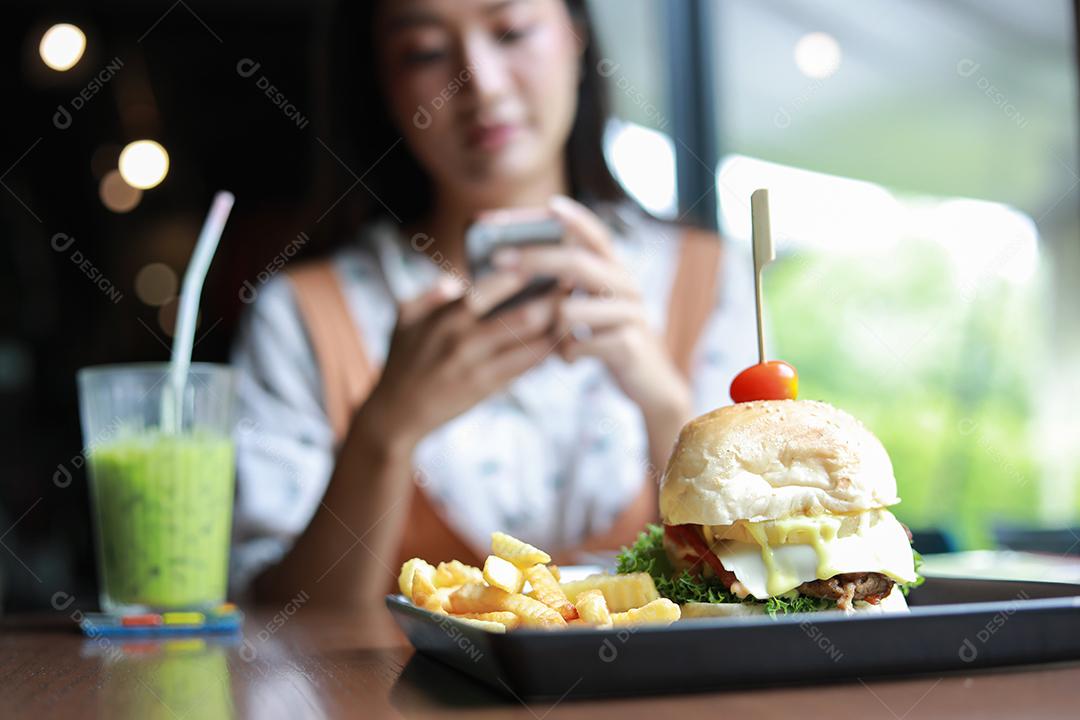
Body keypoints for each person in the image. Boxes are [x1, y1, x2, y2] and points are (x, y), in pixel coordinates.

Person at [230, 0, 757, 607]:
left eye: (510, 31)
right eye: (425, 52)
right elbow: (275, 622)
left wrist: (664, 401)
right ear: (382, 81)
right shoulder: (303, 314)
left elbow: (759, 581)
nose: (478, 82)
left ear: (575, 37)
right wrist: (384, 432)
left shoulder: (707, 277)